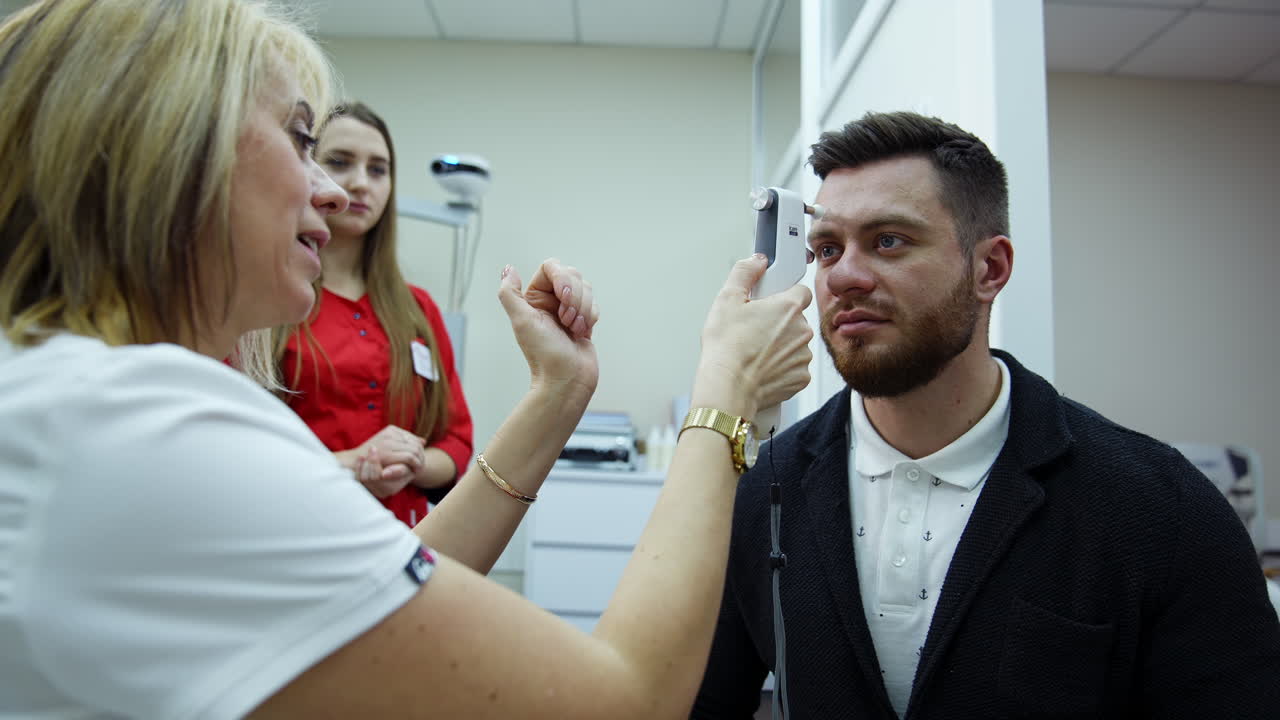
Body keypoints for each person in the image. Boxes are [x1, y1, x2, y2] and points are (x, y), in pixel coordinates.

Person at [0, 1, 813, 718]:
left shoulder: (69, 394)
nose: (331, 191)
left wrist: (559, 391)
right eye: (300, 141)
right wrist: (726, 396)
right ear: (166, 152)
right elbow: (623, 700)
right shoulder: (135, 422)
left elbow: (368, 590)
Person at [691, 111, 1280, 719]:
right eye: (827, 249)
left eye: (889, 240)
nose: (844, 277)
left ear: (989, 269)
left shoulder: (1160, 509)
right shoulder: (766, 490)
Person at [275, 100, 472, 526]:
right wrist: (353, 463)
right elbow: (241, 455)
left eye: (378, 169)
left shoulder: (417, 309)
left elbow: (456, 441)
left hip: (404, 537)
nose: (362, 183)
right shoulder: (272, 300)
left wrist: (411, 463)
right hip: (299, 527)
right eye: (340, 162)